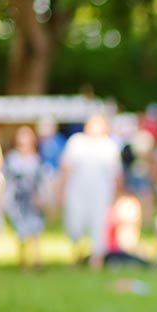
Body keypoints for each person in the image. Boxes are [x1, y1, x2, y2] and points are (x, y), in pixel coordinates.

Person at [58, 113, 122, 269]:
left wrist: (116, 196)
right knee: (75, 223)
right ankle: (77, 255)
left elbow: (117, 175)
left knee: (99, 225)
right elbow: (65, 168)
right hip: (77, 191)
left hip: (100, 193)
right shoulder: (76, 143)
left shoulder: (109, 146)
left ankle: (96, 260)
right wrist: (61, 189)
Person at [4, 125, 46, 270]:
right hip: (18, 200)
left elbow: (41, 180)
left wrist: (41, 197)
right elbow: (7, 179)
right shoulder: (12, 158)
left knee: (35, 229)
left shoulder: (36, 159)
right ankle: (23, 260)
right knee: (20, 231)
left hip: (32, 199)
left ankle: (36, 260)